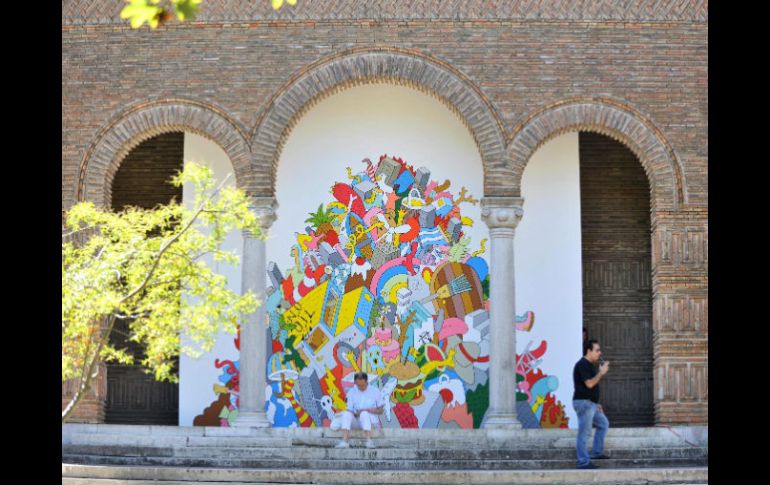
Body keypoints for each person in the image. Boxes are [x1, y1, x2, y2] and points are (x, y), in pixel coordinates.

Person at [572, 339, 611, 469]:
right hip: (584, 403)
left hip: (591, 404)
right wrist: (601, 373)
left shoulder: (590, 366)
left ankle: (596, 452)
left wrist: (596, 403)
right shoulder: (582, 364)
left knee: (603, 424)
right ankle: (583, 461)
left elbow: (592, 387)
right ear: (589, 351)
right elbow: (589, 384)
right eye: (597, 350)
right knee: (585, 432)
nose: (600, 353)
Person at [335, 372, 384, 449]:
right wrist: (356, 413)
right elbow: (350, 410)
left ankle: (369, 441)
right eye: (358, 385)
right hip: (357, 420)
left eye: (363, 385)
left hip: (371, 422)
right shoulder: (351, 392)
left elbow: (381, 411)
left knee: (364, 413)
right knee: (346, 414)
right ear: (355, 383)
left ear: (367, 381)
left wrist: (369, 410)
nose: (361, 387)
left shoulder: (375, 391)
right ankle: (344, 441)